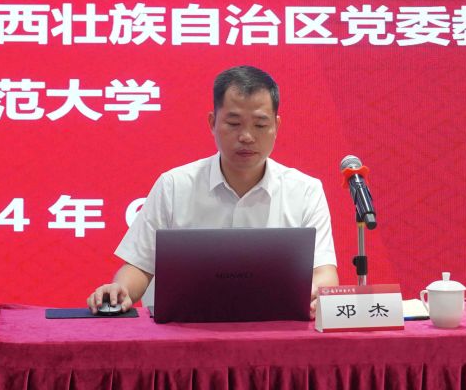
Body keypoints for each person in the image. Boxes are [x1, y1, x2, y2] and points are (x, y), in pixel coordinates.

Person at [87, 65, 338, 313]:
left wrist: (316, 293)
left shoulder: (305, 191)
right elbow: (139, 266)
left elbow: (324, 272)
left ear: (276, 127)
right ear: (212, 122)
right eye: (234, 123)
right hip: (181, 330)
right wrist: (120, 289)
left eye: (260, 125)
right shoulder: (174, 185)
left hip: (277, 328)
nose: (247, 136)